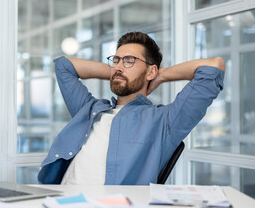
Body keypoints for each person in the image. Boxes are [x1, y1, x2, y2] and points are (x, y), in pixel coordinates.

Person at [38, 31, 225, 185]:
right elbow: (64, 66)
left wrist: (162, 75)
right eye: (116, 60)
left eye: (129, 60)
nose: (119, 66)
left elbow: (214, 67)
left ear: (151, 71)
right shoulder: (89, 108)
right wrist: (120, 73)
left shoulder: (165, 121)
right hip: (60, 203)